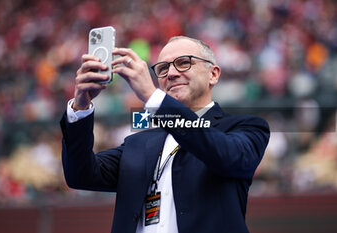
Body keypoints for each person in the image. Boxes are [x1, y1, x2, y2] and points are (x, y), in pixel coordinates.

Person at [60, 36, 270, 233]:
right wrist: (81, 105)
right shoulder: (139, 143)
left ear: (213, 74)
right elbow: (81, 175)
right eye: (162, 68)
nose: (171, 74)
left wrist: (154, 99)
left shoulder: (246, 127)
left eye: (183, 63)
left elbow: (224, 155)